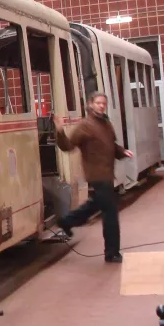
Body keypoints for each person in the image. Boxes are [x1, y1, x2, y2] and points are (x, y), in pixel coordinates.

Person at [53, 91, 133, 263]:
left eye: (104, 103)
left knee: (97, 203)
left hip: (106, 173)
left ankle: (66, 221)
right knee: (110, 212)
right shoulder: (85, 126)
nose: (101, 106)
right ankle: (112, 253)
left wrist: (122, 151)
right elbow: (67, 146)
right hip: (97, 174)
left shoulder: (105, 123)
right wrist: (59, 131)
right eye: (98, 103)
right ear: (90, 104)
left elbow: (111, 144)